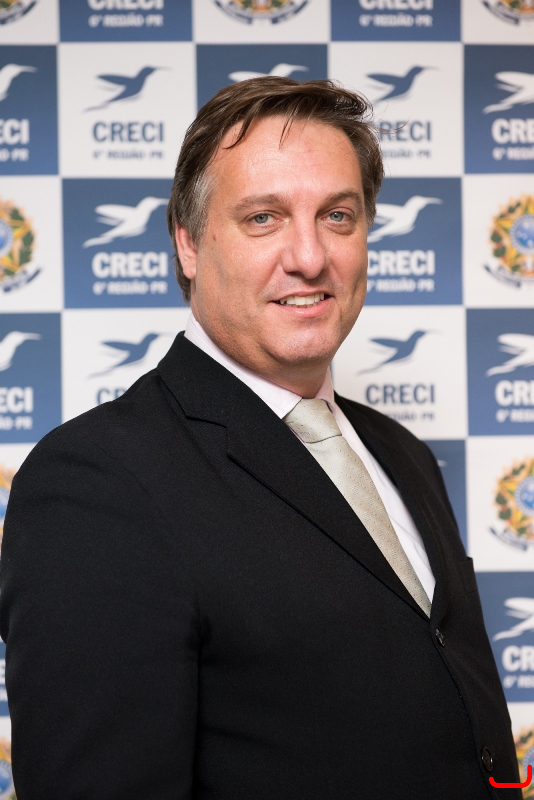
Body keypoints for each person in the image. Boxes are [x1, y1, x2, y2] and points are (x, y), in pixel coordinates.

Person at [0, 78, 520, 799]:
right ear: (187, 243)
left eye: (338, 215)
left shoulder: (402, 453)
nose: (309, 256)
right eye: (263, 218)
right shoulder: (97, 479)